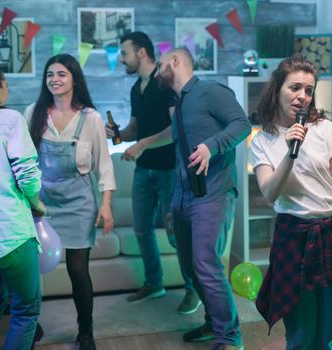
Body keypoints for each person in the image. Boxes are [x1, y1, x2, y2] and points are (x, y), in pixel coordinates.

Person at [251, 57, 332, 350]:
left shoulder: (325, 129)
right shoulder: (262, 140)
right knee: (301, 333)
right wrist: (290, 152)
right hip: (294, 238)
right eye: (295, 87)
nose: (303, 96)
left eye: (309, 90)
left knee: (328, 332)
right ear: (277, 89)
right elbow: (270, 193)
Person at [154, 48, 250, 350]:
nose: (156, 73)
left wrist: (211, 146)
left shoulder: (210, 91)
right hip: (184, 199)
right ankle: (212, 323)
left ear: (175, 62)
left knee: (206, 264)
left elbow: (242, 125)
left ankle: (230, 338)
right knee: (191, 267)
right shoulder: (179, 103)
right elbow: (181, 159)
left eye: (159, 66)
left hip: (213, 195)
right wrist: (173, 202)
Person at [25, 54, 115, 350]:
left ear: (74, 78)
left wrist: (106, 205)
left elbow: (104, 165)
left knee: (78, 270)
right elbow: (23, 161)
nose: (54, 79)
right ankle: (29, 323)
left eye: (61, 74)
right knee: (31, 268)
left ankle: (86, 331)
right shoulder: (33, 112)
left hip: (80, 201)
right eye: (50, 74)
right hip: (41, 202)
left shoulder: (90, 117)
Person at [106, 32, 199, 313]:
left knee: (177, 234)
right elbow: (134, 129)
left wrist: (143, 144)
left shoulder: (165, 85)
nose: (121, 59)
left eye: (124, 53)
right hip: (143, 171)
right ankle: (154, 283)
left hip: (170, 170)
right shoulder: (137, 89)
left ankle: (194, 290)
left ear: (142, 53)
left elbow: (175, 130)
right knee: (142, 229)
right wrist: (118, 134)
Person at [0, 59, 46, 349]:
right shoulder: (9, 119)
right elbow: (27, 174)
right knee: (25, 310)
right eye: (5, 84)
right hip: (11, 234)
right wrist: (37, 203)